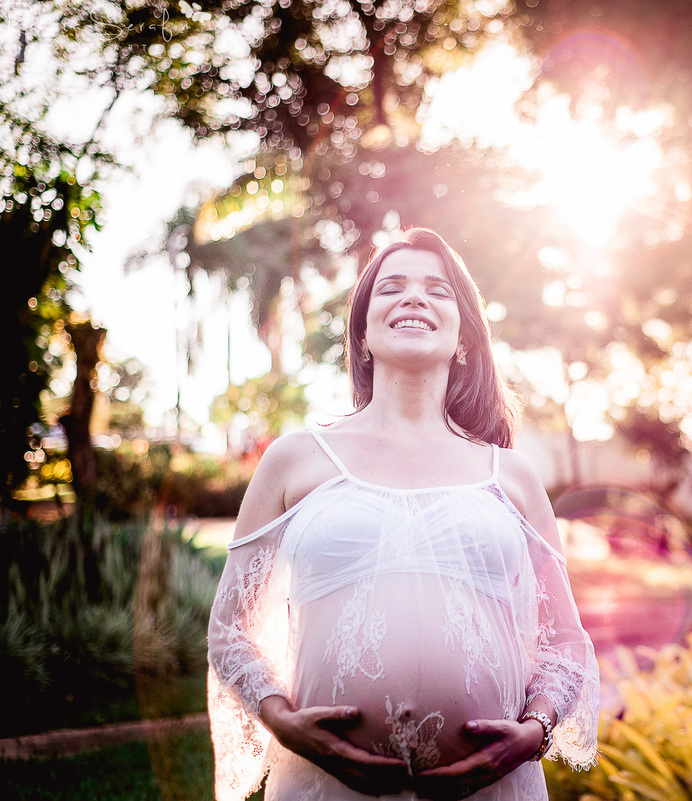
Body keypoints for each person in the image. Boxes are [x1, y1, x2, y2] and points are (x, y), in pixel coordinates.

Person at [207, 228, 600, 801]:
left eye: (437, 290)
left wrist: (532, 733)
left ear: (464, 338)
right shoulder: (295, 458)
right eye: (391, 287)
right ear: (362, 335)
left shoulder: (510, 475)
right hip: (323, 787)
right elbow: (230, 631)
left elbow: (565, 643)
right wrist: (284, 724)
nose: (414, 297)